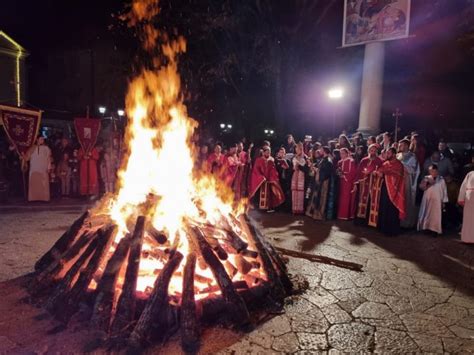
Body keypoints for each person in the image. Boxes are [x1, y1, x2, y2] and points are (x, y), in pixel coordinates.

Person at [372, 148, 406, 236]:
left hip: (394, 192)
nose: (387, 155)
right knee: (383, 208)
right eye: (386, 153)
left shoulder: (399, 165)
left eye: (389, 153)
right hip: (384, 190)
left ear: (394, 154)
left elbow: (397, 177)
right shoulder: (385, 163)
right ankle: (382, 228)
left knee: (391, 210)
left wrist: (383, 175)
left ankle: (391, 230)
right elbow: (380, 170)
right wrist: (376, 173)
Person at [354, 144, 383, 225]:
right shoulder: (364, 160)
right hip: (363, 183)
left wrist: (372, 172)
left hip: (373, 184)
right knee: (361, 200)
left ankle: (368, 221)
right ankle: (360, 220)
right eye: (371, 150)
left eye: (374, 151)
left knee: (370, 202)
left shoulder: (379, 161)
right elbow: (359, 171)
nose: (372, 152)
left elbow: (381, 171)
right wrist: (358, 180)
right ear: (368, 151)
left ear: (376, 152)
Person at [249, 146, 285, 211]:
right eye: (267, 152)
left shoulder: (272, 160)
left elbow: (273, 169)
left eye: (269, 152)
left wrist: (273, 178)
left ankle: (268, 207)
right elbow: (256, 170)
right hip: (261, 181)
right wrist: (261, 177)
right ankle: (259, 208)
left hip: (269, 180)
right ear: (263, 152)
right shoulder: (259, 160)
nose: (268, 153)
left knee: (270, 194)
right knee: (259, 194)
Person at [417, 165, 448, 236]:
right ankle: (426, 228)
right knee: (426, 213)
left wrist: (444, 201)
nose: (433, 172)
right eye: (431, 171)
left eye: (434, 171)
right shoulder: (426, 178)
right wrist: (428, 184)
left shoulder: (441, 179)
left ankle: (435, 230)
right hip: (427, 199)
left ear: (437, 171)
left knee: (435, 215)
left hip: (437, 200)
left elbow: (444, 190)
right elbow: (421, 187)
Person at [306, 147, 334, 220]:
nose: (320, 151)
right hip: (318, 181)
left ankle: (319, 215)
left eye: (321, 150)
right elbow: (319, 169)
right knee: (316, 197)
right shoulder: (322, 160)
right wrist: (314, 168)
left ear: (324, 151)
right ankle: (314, 213)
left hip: (324, 183)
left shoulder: (328, 161)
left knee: (322, 198)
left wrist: (317, 170)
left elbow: (326, 173)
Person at [397, 139, 420, 228]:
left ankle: (406, 223)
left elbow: (413, 170)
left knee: (406, 201)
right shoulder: (398, 155)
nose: (399, 147)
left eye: (401, 145)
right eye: (399, 145)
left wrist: (400, 164)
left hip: (407, 182)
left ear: (406, 146)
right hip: (398, 182)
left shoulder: (412, 157)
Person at [26, 137, 52, 201]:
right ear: (37, 139)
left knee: (43, 184)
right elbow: (27, 158)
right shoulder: (32, 148)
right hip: (34, 169)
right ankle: (33, 198)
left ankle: (44, 199)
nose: (42, 140)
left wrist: (49, 167)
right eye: (41, 139)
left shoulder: (46, 148)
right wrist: (22, 155)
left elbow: (49, 159)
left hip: (43, 169)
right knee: (34, 184)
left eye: (43, 139)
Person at [337, 148, 357, 220]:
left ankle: (346, 215)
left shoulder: (351, 161)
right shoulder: (339, 162)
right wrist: (339, 174)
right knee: (341, 198)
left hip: (347, 182)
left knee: (346, 198)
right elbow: (339, 170)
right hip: (341, 182)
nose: (341, 155)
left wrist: (344, 176)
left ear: (346, 153)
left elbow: (353, 172)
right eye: (340, 153)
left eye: (343, 153)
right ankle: (341, 214)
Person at [458, 171, 474, 244]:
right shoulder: (470, 174)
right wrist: (461, 198)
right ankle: (467, 238)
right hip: (469, 198)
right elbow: (464, 186)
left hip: (470, 196)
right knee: (468, 218)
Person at [291, 143, 307, 214]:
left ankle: (300, 210)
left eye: (297, 149)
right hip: (295, 175)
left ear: (301, 149)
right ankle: (294, 209)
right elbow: (293, 167)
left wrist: (299, 166)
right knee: (295, 191)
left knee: (300, 192)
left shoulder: (305, 157)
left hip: (302, 175)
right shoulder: (294, 157)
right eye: (296, 149)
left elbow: (306, 168)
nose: (296, 150)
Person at [275, 147, 292, 211]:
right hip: (280, 179)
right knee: (279, 193)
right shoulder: (277, 161)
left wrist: (286, 168)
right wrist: (280, 167)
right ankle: (279, 207)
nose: (281, 154)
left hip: (286, 180)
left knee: (285, 193)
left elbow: (290, 170)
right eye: (280, 152)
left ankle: (285, 208)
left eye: (283, 153)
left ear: (285, 154)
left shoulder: (288, 161)